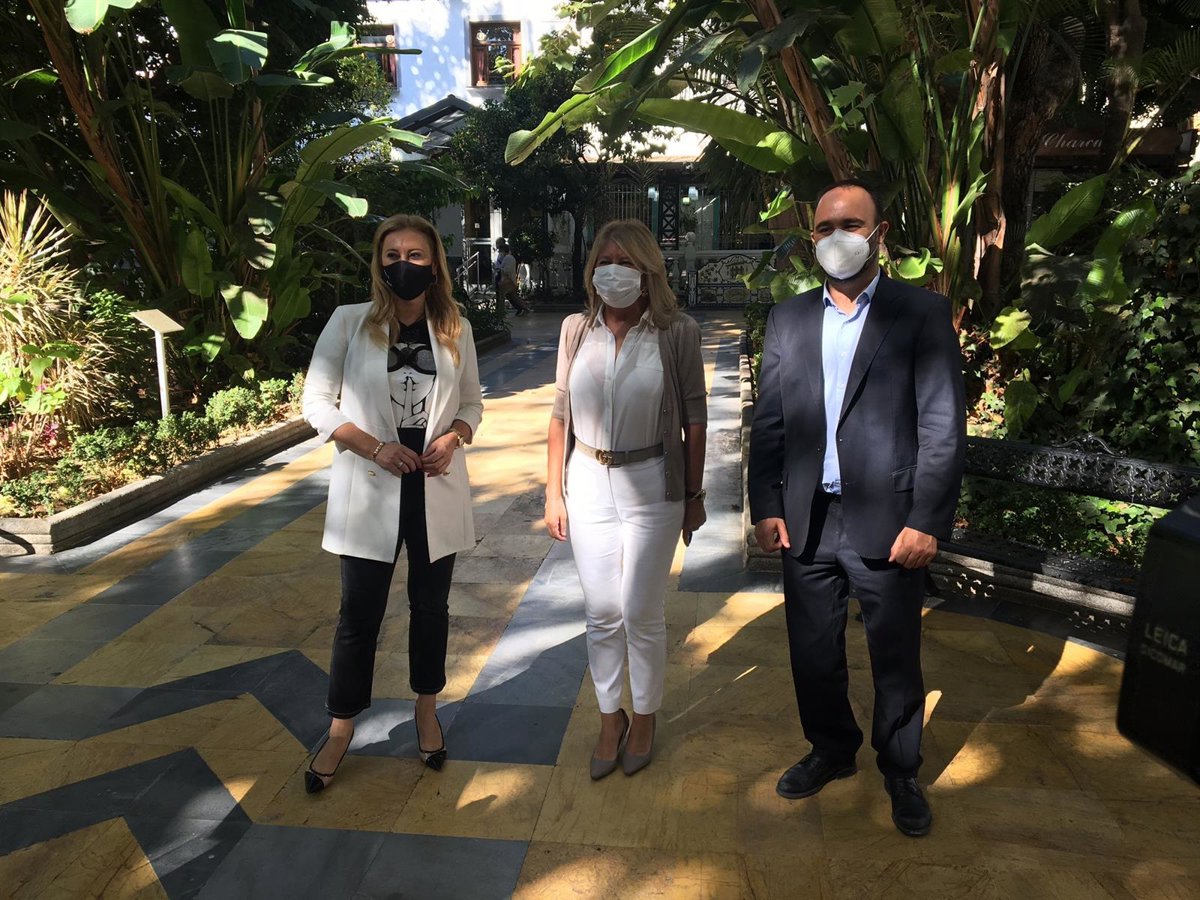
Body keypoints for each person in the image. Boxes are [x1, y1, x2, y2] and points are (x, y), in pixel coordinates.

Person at [748, 178, 965, 836]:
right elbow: (770, 423)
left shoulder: (920, 313)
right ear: (810, 237)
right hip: (807, 518)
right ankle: (831, 749)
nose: (836, 237)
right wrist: (765, 504)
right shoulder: (788, 318)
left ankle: (900, 769)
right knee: (812, 650)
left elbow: (941, 427)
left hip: (889, 520)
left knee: (894, 654)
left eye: (850, 224)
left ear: (879, 233)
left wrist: (926, 520)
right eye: (824, 227)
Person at [301, 213, 484, 791]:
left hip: (434, 484)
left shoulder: (454, 326)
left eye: (415, 255)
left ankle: (427, 712)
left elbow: (473, 403)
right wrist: (373, 447)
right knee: (359, 615)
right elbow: (316, 402)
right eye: (392, 255)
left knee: (431, 609)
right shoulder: (350, 322)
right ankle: (340, 727)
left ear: (434, 264)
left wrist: (454, 437)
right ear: (379, 263)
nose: (403, 264)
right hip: (370, 483)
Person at [544, 219, 708, 780]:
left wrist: (693, 494)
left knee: (640, 609)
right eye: (605, 261)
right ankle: (608, 716)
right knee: (601, 612)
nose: (614, 272)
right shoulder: (575, 330)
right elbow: (560, 414)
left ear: (648, 271)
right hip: (588, 479)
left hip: (653, 483)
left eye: (627, 262)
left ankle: (644, 716)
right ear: (593, 269)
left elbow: (694, 418)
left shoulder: (676, 331)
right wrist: (553, 491)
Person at [494, 238, 529, 316]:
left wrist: (500, 269)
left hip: (507, 280)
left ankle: (501, 311)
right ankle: (523, 308)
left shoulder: (508, 258)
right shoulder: (508, 257)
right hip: (507, 279)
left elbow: (506, 269)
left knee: (508, 296)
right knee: (512, 296)